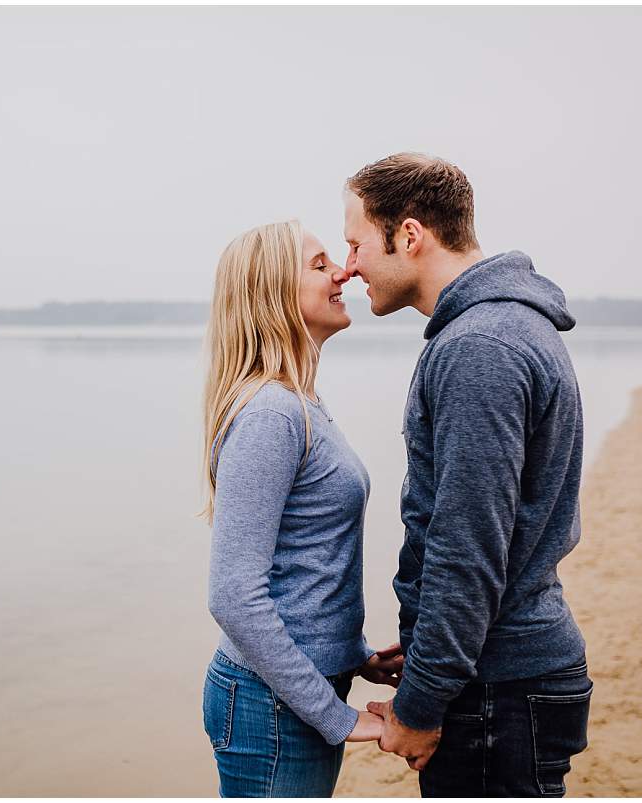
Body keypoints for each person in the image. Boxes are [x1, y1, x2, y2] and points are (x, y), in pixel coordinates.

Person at [342, 153, 592, 797]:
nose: (349, 266)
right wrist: (425, 647)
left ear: (410, 235)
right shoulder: (499, 331)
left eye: (356, 243)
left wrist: (423, 704)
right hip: (494, 671)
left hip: (498, 688)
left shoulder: (480, 348)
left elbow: (468, 547)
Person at [201, 220, 403, 798]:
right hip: (270, 705)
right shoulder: (272, 414)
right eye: (319, 265)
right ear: (271, 292)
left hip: (293, 693)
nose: (342, 271)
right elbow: (234, 596)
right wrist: (339, 719)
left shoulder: (299, 403)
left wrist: (355, 655)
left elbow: (303, 566)